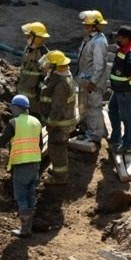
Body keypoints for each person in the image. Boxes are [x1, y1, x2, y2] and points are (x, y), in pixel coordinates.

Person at [0, 95, 42, 238]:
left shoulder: (14, 123)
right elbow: (39, 144)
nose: (11, 110)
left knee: (21, 195)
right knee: (30, 194)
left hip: (22, 164)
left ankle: (25, 230)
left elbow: (2, 140)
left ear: (16, 108)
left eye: (12, 107)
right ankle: (28, 225)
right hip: (35, 163)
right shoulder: (36, 122)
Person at [39, 51, 77, 185]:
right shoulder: (65, 75)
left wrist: (49, 124)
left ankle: (59, 177)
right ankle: (58, 170)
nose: (47, 67)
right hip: (63, 122)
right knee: (59, 148)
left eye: (49, 65)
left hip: (60, 124)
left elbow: (58, 108)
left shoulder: (61, 84)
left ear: (56, 67)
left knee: (56, 150)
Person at [76, 10, 108, 144]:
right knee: (84, 106)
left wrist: (93, 82)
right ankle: (86, 129)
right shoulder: (89, 39)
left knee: (93, 108)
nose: (85, 27)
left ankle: (94, 135)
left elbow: (99, 65)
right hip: (85, 80)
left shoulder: (99, 42)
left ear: (95, 26)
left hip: (92, 83)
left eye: (87, 25)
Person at [108, 27, 131, 154]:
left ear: (126, 39)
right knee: (112, 109)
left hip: (127, 89)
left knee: (126, 116)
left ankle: (127, 145)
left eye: (119, 38)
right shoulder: (125, 47)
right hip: (120, 88)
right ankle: (116, 137)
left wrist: (121, 80)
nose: (117, 39)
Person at [17, 22, 50, 118]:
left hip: (34, 97)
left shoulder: (44, 55)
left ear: (37, 38)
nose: (27, 38)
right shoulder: (27, 49)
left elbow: (46, 77)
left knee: (34, 117)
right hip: (22, 90)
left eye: (29, 36)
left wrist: (39, 93)